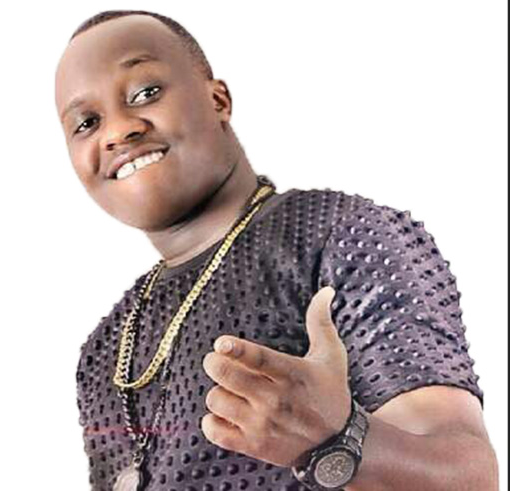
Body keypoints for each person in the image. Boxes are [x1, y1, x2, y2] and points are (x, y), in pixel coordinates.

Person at [54, 10, 498, 491]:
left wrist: (339, 439)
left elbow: (469, 478)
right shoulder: (104, 350)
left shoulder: (339, 235)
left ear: (218, 99)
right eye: (87, 122)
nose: (117, 131)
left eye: (146, 92)